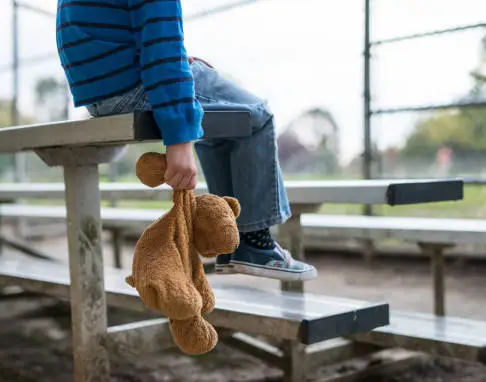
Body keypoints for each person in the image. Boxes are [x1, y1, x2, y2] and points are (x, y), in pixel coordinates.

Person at [56, 0, 316, 281]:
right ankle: (255, 242)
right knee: (257, 115)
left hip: (98, 96)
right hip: (135, 85)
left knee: (220, 122)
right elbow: (161, 45)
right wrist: (179, 138)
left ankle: (231, 239)